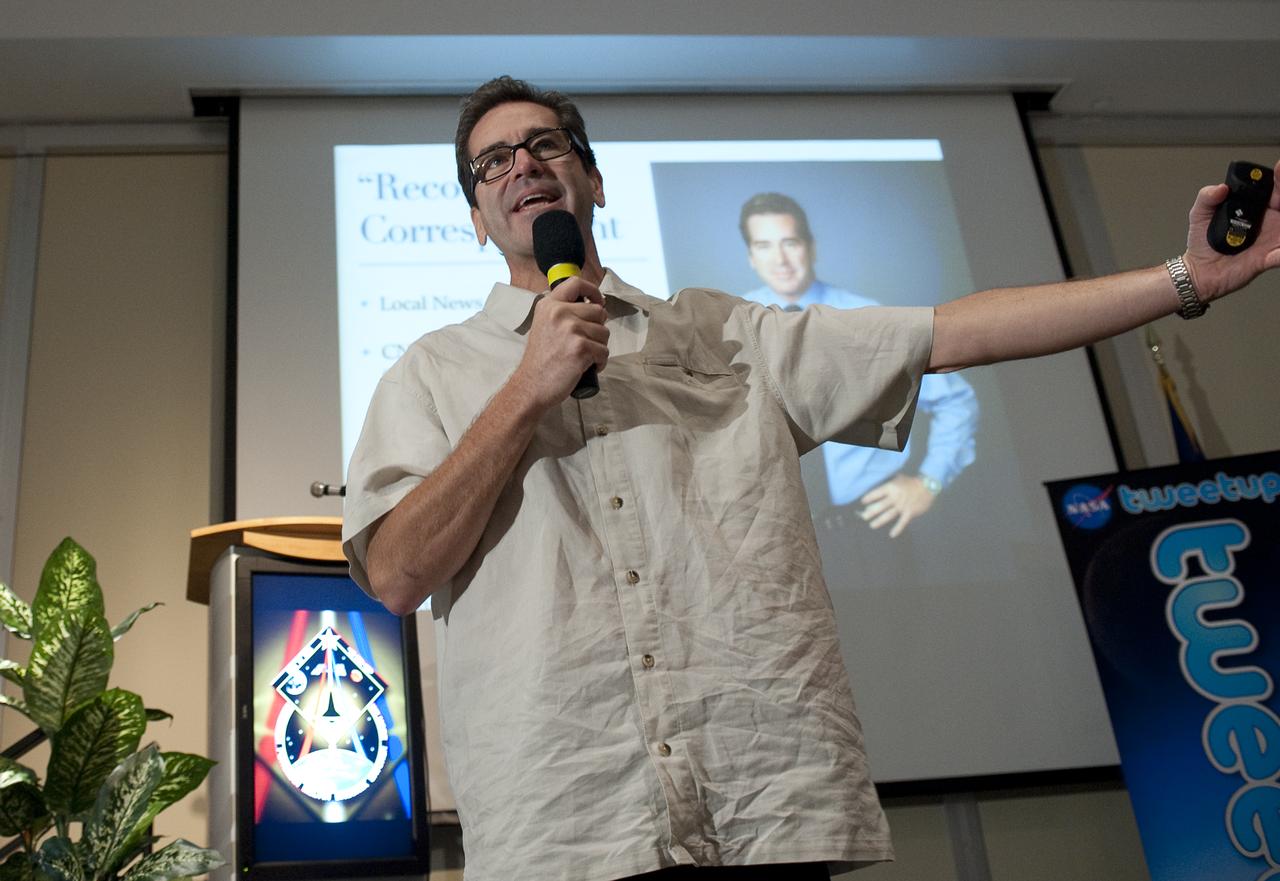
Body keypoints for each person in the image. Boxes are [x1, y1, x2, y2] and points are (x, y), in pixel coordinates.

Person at [341, 75, 1280, 881]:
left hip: (760, 804)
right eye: (492, 162)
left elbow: (953, 330)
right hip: (566, 826)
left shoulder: (723, 335)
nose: (522, 166)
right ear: (473, 218)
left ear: (589, 175)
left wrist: (1184, 278)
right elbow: (394, 574)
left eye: (544, 144)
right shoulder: (431, 373)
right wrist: (524, 392)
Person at [738, 192, 978, 537]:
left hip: (871, 520)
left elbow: (955, 399)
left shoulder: (868, 316)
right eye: (764, 246)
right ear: (750, 257)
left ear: (812, 247)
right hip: (771, 528)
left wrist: (930, 482)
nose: (781, 259)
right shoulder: (732, 326)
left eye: (790, 243)